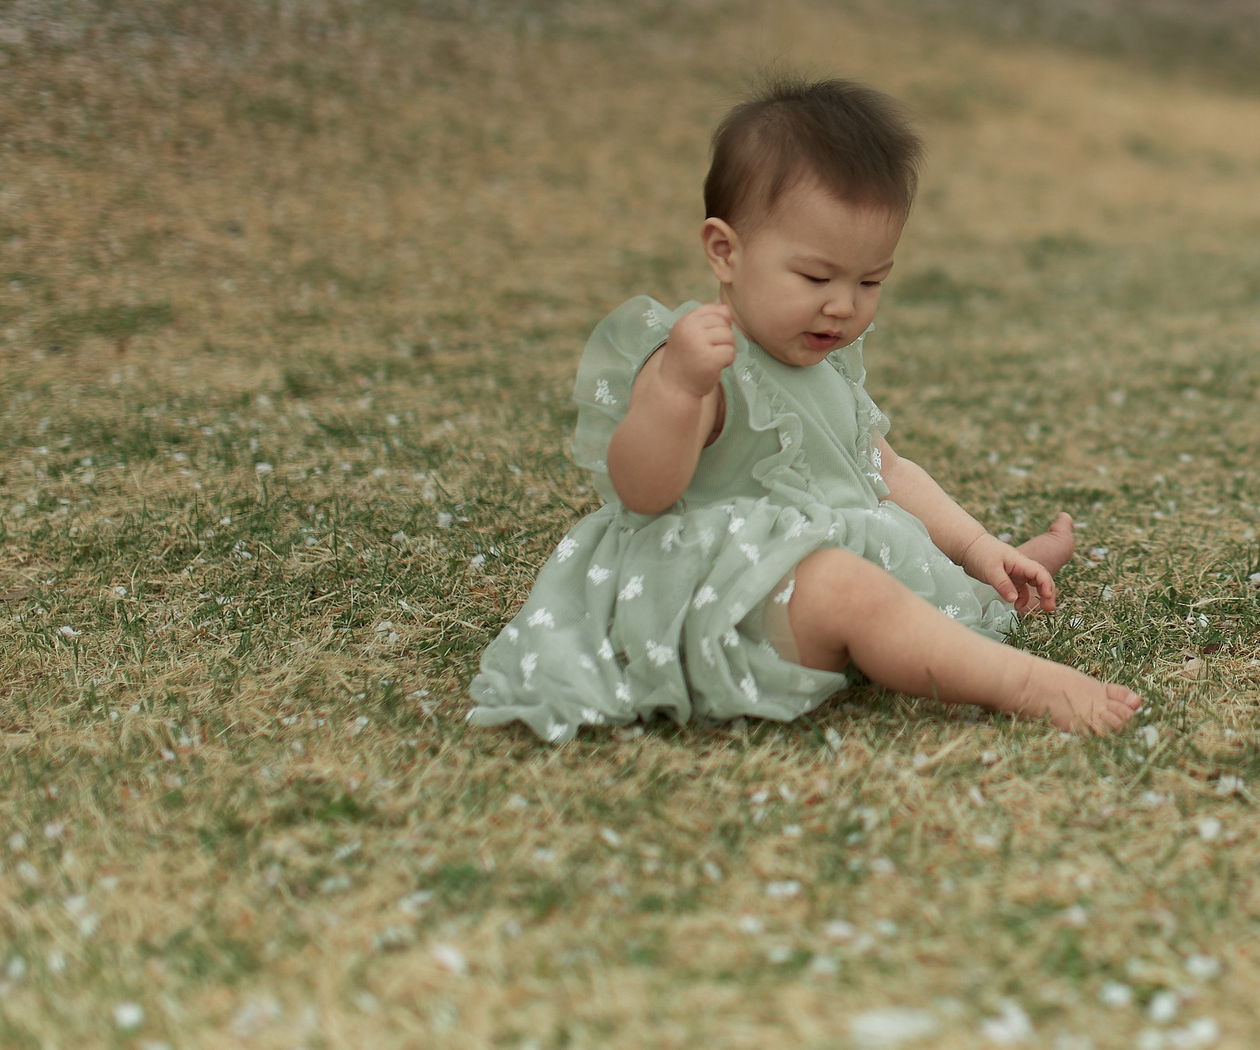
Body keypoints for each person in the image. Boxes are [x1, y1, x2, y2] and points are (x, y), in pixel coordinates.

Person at [467, 78, 1140, 743]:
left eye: (869, 280)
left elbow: (888, 473)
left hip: (817, 595)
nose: (844, 305)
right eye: (817, 278)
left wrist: (974, 546)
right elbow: (643, 492)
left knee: (899, 588)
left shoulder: (827, 364)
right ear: (725, 252)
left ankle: (1003, 575)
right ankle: (1021, 682)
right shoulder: (701, 360)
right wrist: (676, 390)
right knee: (851, 590)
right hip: (725, 603)